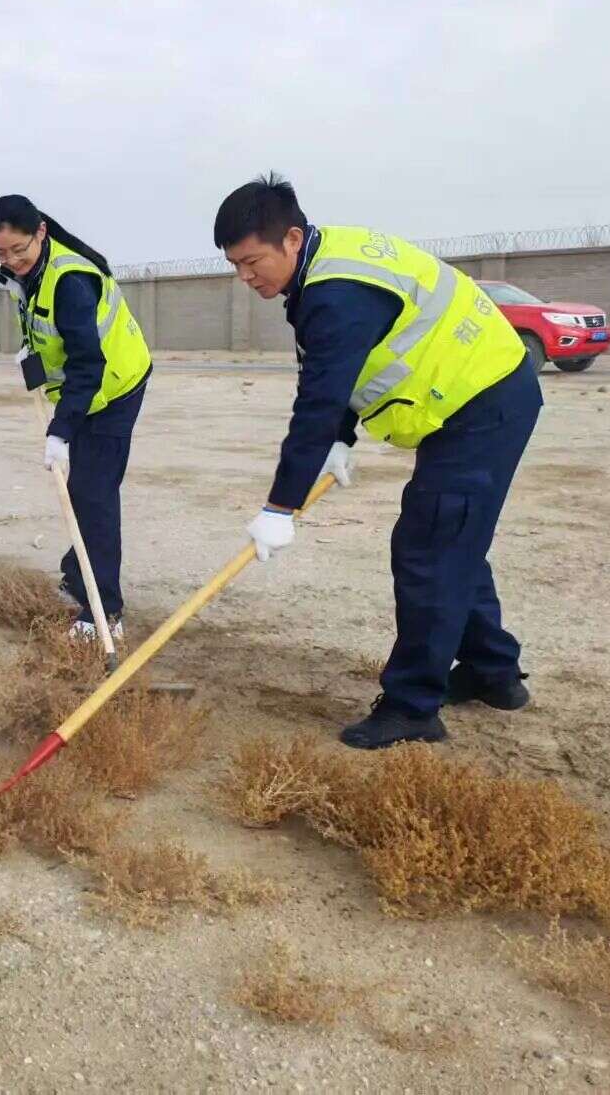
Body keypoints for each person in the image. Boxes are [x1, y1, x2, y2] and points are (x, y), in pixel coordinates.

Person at [213, 175, 542, 749]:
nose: (245, 277)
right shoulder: (321, 267)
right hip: (471, 397)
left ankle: (414, 707)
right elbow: (330, 375)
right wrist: (341, 438)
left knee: (429, 545)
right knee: (451, 540)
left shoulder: (336, 293)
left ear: (291, 238)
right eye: (235, 265)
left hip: (482, 401)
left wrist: (280, 505)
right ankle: (493, 673)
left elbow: (317, 398)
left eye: (251, 261)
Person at [0, 195, 153, 643]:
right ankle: (79, 579)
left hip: (115, 387)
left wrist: (61, 429)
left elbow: (87, 366)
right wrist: (32, 358)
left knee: (94, 494)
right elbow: (42, 323)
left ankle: (105, 611)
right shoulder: (25, 272)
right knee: (81, 490)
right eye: (0, 252)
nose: (11, 261)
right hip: (85, 388)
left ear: (41, 232)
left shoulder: (71, 280)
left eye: (19, 249)